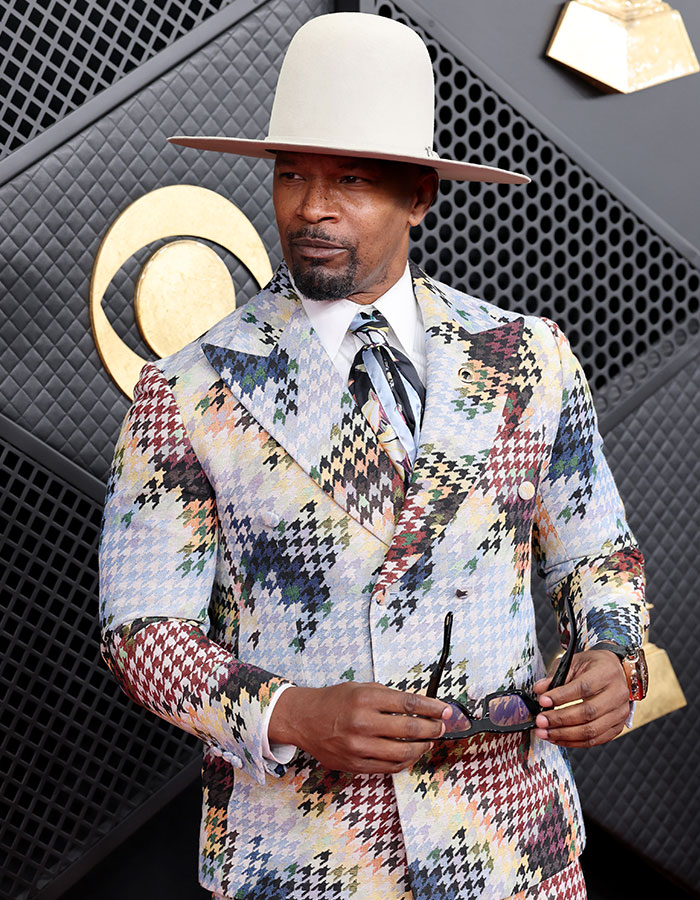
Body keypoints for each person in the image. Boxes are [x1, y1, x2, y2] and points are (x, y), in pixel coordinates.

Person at [99, 12, 648, 900]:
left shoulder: (528, 357)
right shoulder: (189, 389)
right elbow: (141, 633)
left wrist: (613, 655)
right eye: (291, 175)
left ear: (419, 195)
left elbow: (598, 554)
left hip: (514, 849)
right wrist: (290, 713)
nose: (311, 207)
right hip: (300, 861)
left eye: (349, 180)